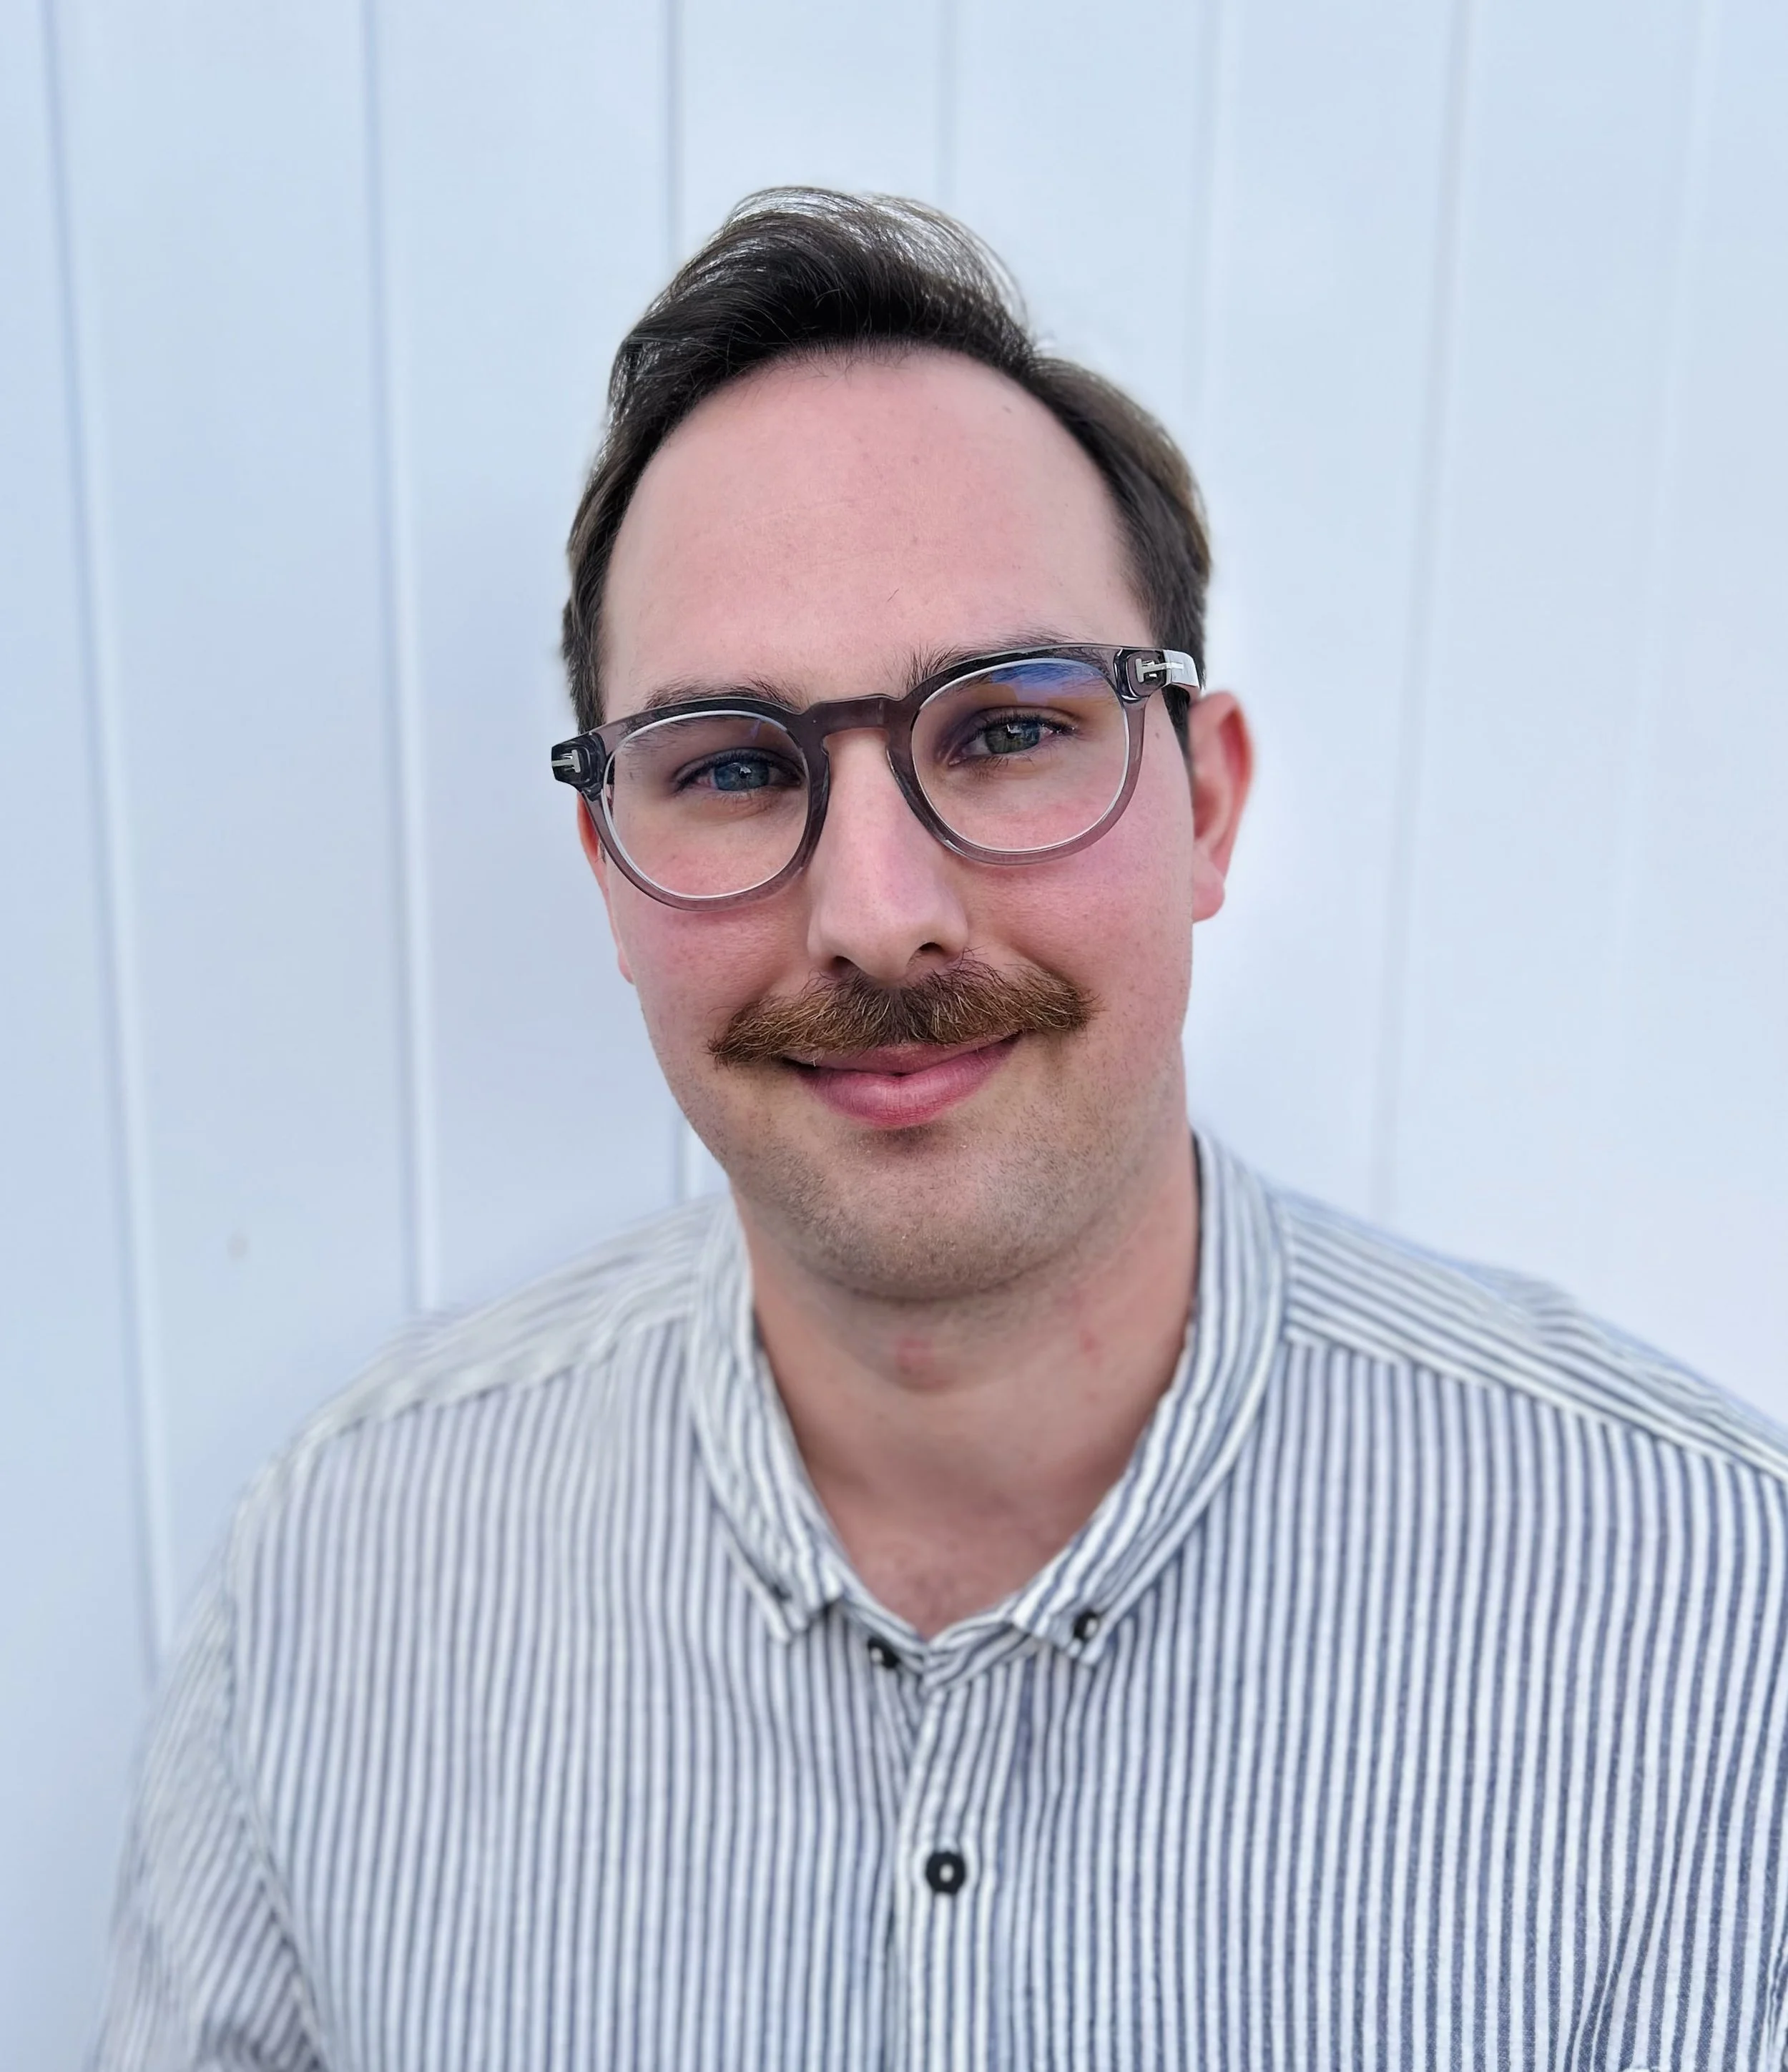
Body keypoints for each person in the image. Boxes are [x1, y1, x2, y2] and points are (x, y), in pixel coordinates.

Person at [96, 190, 1788, 2071]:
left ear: (1206, 807)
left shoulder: (1710, 1617)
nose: (877, 914)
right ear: (607, 872)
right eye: (735, 767)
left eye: (1005, 729)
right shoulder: (334, 1584)